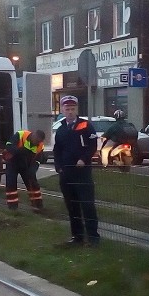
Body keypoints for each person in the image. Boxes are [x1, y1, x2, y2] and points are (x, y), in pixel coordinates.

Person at [53, 95, 101, 246]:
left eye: (72, 109)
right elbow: (57, 150)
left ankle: (93, 237)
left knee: (87, 205)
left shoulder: (86, 126)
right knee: (72, 207)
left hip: (82, 174)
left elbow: (93, 145)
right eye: (67, 109)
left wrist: (83, 159)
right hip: (66, 175)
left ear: (77, 109)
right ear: (62, 110)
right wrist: (58, 167)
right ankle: (77, 237)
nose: (70, 112)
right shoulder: (61, 129)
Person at [4, 129, 46, 211]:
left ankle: (38, 205)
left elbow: (37, 160)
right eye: (36, 141)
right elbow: (8, 146)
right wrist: (20, 150)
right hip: (13, 163)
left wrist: (33, 170)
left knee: (33, 183)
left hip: (26, 165)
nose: (37, 143)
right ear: (33, 135)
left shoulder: (40, 146)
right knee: (11, 183)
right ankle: (12, 207)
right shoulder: (20, 135)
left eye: (39, 141)